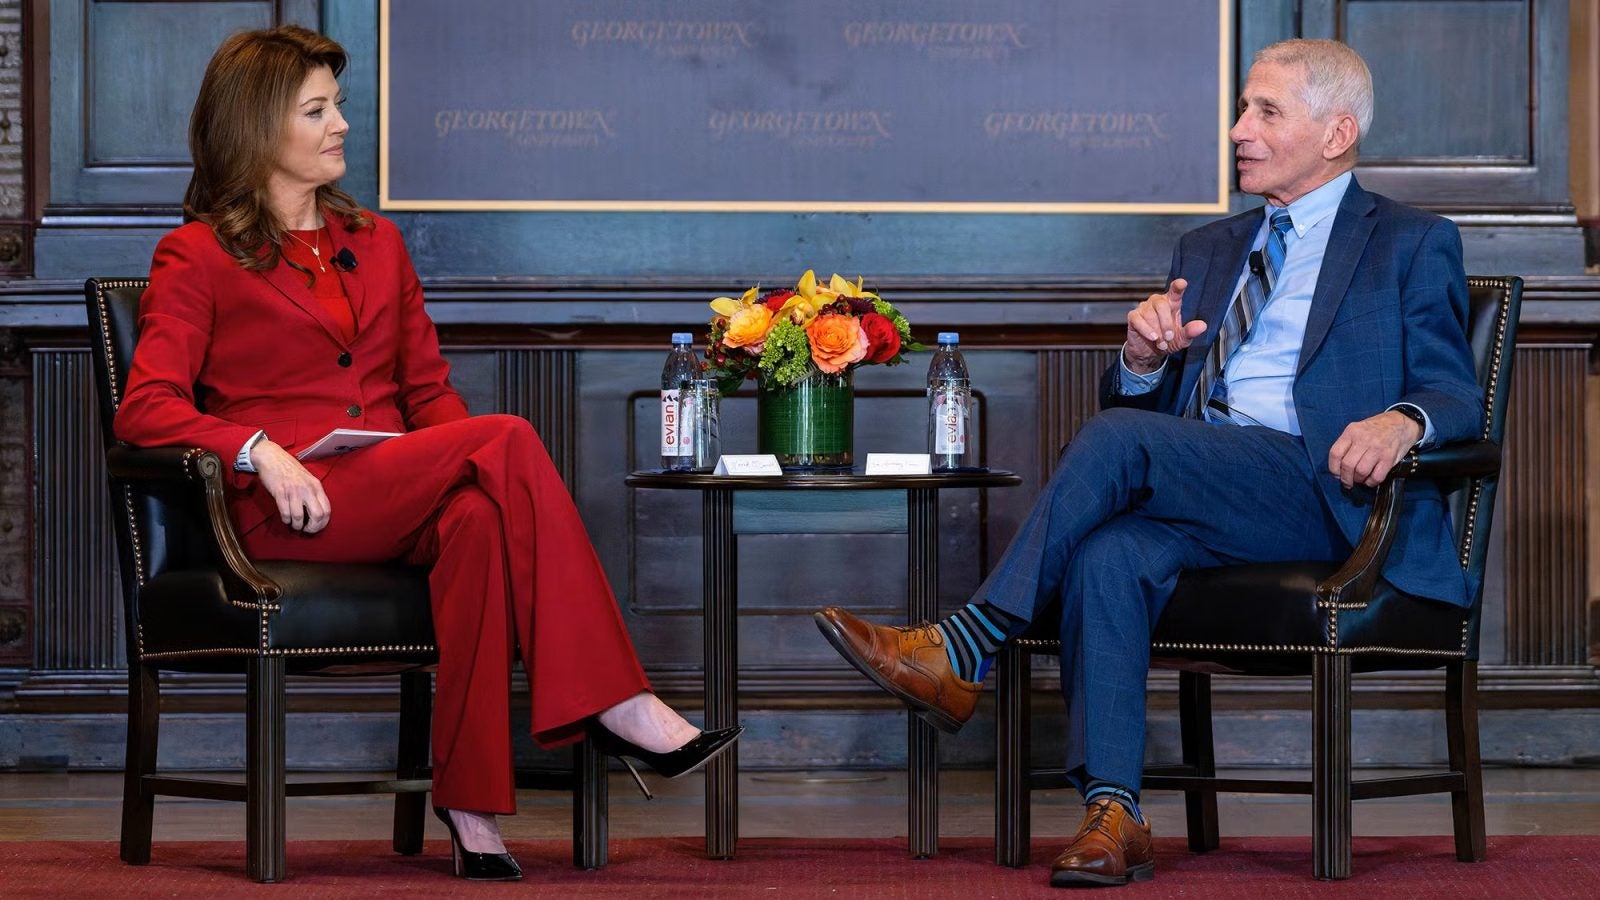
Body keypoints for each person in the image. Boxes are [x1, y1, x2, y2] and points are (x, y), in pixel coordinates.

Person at [816, 39, 1480, 888]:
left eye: (1266, 112)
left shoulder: (1410, 243)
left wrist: (1400, 419)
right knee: (1108, 552)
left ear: (1337, 131)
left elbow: (1455, 392)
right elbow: (1142, 417)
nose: (1239, 129)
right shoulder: (1207, 248)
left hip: (1325, 490)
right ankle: (1114, 812)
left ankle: (966, 646)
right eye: (1242, 108)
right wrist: (1140, 360)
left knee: (1117, 443)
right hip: (1215, 485)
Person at [113, 25, 741, 882]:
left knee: (480, 518)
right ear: (258, 127)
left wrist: (456, 457)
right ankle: (617, 700)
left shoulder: (375, 242)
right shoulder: (197, 256)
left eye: (338, 105)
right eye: (317, 108)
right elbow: (146, 408)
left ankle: (472, 807)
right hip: (286, 513)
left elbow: (429, 394)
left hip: (388, 489)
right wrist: (261, 450)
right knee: (509, 438)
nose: (341, 124)